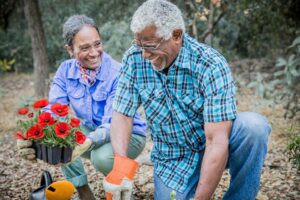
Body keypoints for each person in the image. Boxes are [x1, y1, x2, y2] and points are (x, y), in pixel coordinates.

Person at [102, 0, 272, 200]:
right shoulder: (134, 59)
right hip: (172, 160)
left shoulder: (210, 64)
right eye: (139, 45)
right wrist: (121, 166)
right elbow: (122, 114)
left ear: (176, 35)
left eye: (150, 46)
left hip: (215, 146)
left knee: (254, 127)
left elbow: (216, 140)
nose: (145, 54)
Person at [16, 15, 147, 200]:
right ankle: (85, 194)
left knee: (101, 158)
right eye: (85, 48)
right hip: (93, 130)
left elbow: (114, 123)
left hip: (128, 134)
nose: (94, 53)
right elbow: (54, 111)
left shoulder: (117, 73)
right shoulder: (65, 71)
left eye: (97, 44)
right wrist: (33, 136)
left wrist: (90, 141)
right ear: (70, 50)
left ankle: (121, 194)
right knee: (60, 138)